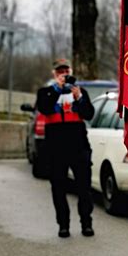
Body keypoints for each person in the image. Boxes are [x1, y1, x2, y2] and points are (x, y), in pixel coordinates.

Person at [37, 58, 95, 238]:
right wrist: (57, 90)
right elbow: (45, 109)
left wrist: (79, 97)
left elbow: (89, 114)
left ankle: (86, 223)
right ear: (54, 74)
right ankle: (63, 225)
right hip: (55, 149)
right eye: (59, 72)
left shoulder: (80, 91)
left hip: (78, 147)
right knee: (58, 189)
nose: (63, 75)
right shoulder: (45, 92)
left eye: (66, 72)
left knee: (83, 188)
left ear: (70, 72)